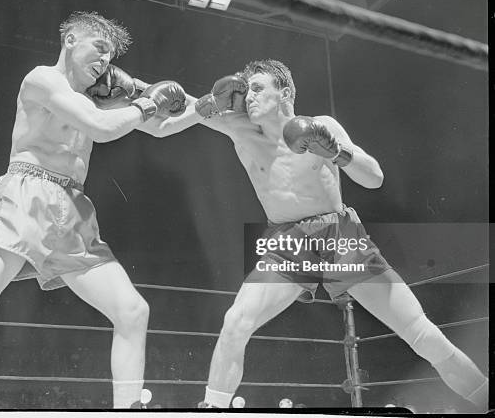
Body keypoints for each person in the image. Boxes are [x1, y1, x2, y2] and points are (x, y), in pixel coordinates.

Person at [129, 59, 488, 411]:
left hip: (338, 233)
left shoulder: (321, 125)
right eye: (246, 89)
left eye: (257, 88)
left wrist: (338, 151)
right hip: (286, 242)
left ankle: (486, 398)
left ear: (283, 92)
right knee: (236, 322)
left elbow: (375, 177)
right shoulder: (237, 127)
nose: (248, 96)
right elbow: (178, 103)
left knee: (420, 332)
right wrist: (129, 85)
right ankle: (213, 407)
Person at [0, 11, 187, 409]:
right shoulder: (42, 80)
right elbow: (104, 128)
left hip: (74, 209)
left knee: (133, 311)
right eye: (98, 47)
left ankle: (129, 410)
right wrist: (147, 100)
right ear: (70, 40)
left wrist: (206, 106)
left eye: (110, 55)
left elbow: (160, 126)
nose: (105, 60)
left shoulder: (95, 101)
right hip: (25, 195)